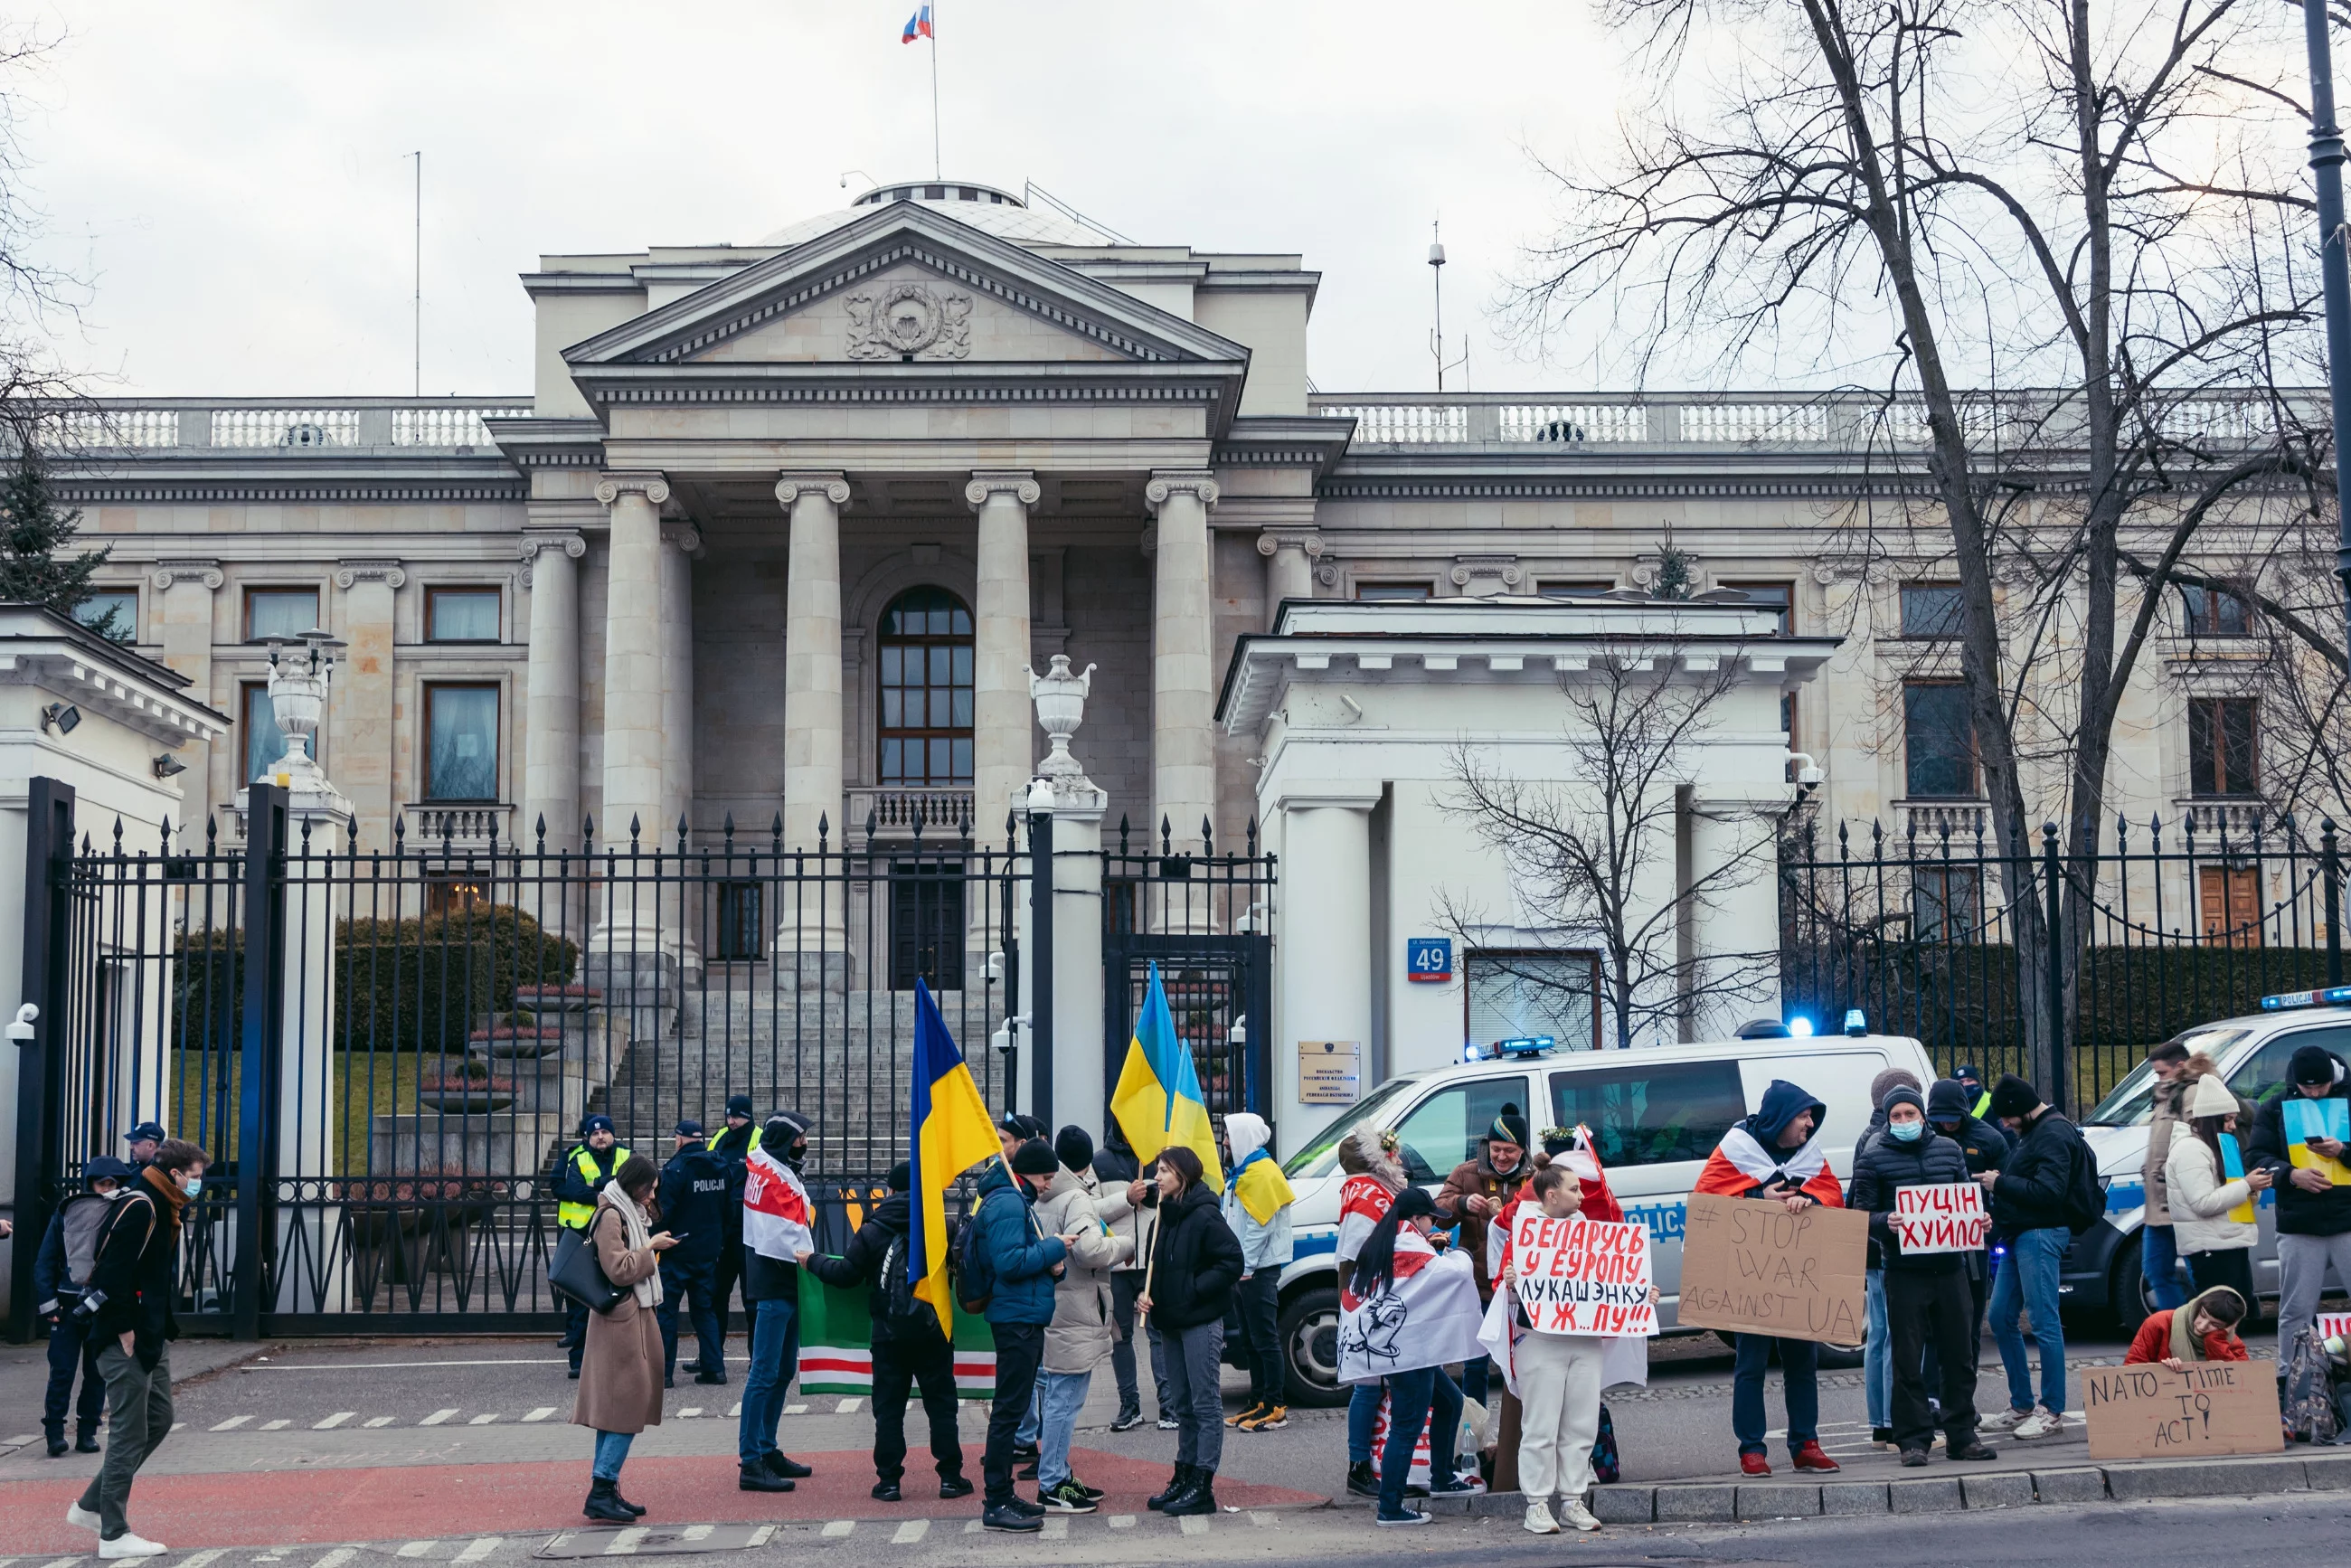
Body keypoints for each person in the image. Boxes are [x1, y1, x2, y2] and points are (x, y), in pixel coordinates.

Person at [1694, 1080, 1846, 1477]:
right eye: (1803, 1116)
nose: (1810, 1125)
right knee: (1751, 1364)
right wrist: (1758, 1200)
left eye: (1811, 1116)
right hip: (1750, 1276)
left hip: (1797, 1276)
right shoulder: (1734, 1150)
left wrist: (1808, 1200)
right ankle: (1752, 1449)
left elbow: (1833, 1197)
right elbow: (1706, 1204)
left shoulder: (1809, 1156)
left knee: (1802, 1362)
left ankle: (1806, 1444)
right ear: (1781, 1117)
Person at [67, 1137, 208, 1560]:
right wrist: (124, 1330)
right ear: (175, 1174)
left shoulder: (165, 1204)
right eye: (196, 1177)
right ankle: (113, 1533)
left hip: (151, 1333)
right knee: (129, 1431)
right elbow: (112, 1274)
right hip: (124, 1335)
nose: (198, 1185)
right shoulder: (144, 1204)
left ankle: (92, 1505)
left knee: (159, 1418)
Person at [798, 1161, 971, 1502]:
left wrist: (812, 1261)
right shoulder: (940, 1226)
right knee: (941, 1406)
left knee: (889, 1409)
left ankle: (889, 1481)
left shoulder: (873, 1229)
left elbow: (846, 1273)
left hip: (888, 1334)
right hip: (934, 1331)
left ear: (889, 1192)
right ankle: (951, 1477)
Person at [1847, 1086, 1997, 1467]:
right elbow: (1861, 1214)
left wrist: (1981, 1218)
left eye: (1909, 1115)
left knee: (1959, 1354)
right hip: (1903, 1271)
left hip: (1950, 1269)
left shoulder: (1949, 1151)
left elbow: (1966, 1196)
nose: (1903, 1122)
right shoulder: (1873, 1157)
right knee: (1907, 1358)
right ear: (1887, 1118)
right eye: (1896, 1116)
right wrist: (1886, 1222)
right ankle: (1913, 1439)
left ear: (1922, 1116)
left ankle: (1962, 1435)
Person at [1345, 1186, 1480, 1526]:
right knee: (1406, 1428)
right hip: (1409, 1353)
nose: (1434, 1225)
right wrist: (1460, 1252)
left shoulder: (1389, 1238)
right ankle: (1390, 1508)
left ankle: (1442, 1478)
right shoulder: (1406, 1241)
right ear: (1415, 1218)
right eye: (1431, 1219)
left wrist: (1432, 1249)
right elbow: (1454, 1274)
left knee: (1450, 1402)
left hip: (1410, 1349)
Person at [1500, 1164, 1619, 1534]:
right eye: (1574, 1189)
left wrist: (1638, 1295)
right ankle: (1536, 1504)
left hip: (1584, 1340)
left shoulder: (1590, 1234)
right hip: (1540, 1341)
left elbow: (1613, 1277)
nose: (1582, 1196)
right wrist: (1510, 1279)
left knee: (1580, 1424)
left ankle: (1572, 1499)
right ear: (1551, 1195)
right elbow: (1503, 1282)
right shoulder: (1524, 1231)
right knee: (1540, 1425)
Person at [1981, 1072, 2100, 1440]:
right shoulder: (2040, 1130)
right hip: (2024, 1233)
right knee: (2001, 1316)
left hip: (2041, 1233)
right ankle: (2021, 1404)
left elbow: (2048, 1191)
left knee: (2044, 1321)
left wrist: (1998, 1182)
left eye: (2006, 1117)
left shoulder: (2051, 1133)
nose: (2004, 1124)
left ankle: (2051, 1409)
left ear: (2019, 1109)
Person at [1137, 1145, 1245, 1519]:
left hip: (1199, 1321)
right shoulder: (1161, 1218)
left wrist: (1193, 1290)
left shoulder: (1204, 1215)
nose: (1158, 1176)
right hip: (1170, 1323)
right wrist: (1146, 1296)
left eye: (1164, 1170)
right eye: (1157, 1169)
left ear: (1182, 1174)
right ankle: (1183, 1474)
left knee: (1204, 1402)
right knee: (1181, 1404)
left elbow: (1232, 1260)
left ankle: (1203, 1483)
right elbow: (1154, 1269)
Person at [1033, 1125, 1135, 1512]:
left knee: (1061, 1396)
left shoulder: (1051, 1193)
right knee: (1065, 1400)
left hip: (1058, 1307)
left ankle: (1057, 1471)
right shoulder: (1074, 1196)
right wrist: (1124, 1245)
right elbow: (1090, 1250)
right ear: (1088, 1161)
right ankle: (1052, 1481)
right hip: (1075, 1310)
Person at [974, 1136, 1073, 1532]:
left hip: (1024, 1316)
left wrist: (1054, 1264)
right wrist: (1053, 1249)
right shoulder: (1008, 1202)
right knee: (1008, 1413)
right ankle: (996, 1500)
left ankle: (1004, 1494)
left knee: (1012, 1410)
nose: (1049, 1184)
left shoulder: (1016, 1200)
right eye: (1046, 1176)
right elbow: (1010, 1262)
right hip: (1016, 1319)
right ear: (1027, 1172)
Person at [571, 1154, 677, 1522]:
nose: (651, 1196)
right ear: (633, 1183)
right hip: (621, 1321)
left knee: (615, 1412)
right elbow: (619, 1269)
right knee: (627, 1408)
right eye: (648, 1189)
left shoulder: (624, 1209)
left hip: (628, 1317)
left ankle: (605, 1488)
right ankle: (602, 1489)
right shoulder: (612, 1215)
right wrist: (651, 1249)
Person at [2248, 1044, 2351, 1365]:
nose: (2317, 1093)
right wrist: (2292, 1175)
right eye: (2309, 1087)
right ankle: (2289, 1377)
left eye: (2322, 1085)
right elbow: (2256, 1156)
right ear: (2295, 1081)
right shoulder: (2275, 1106)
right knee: (2295, 1309)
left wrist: (2344, 1152)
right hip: (2299, 1224)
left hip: (2348, 1220)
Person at [736, 1111, 814, 1494]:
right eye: (800, 1139)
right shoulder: (771, 1177)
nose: (804, 1146)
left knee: (782, 1371)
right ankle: (751, 1460)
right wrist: (814, 1263)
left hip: (785, 1283)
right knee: (764, 1374)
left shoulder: (772, 1168)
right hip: (774, 1284)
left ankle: (767, 1448)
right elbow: (786, 1231)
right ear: (786, 1141)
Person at [35, 1157, 133, 1458]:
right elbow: (46, 1260)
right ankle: (54, 1432)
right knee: (62, 1371)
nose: (108, 1188)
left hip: (101, 1303)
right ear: (89, 1183)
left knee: (97, 1373)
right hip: (66, 1303)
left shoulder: (120, 1211)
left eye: (113, 1183)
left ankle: (88, 1431)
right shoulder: (66, 1212)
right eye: (103, 1183)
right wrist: (49, 1303)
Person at [1434, 1108, 1530, 1407]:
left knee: (1524, 1361)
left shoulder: (1536, 1179)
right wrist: (1461, 1203)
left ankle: (1522, 1439)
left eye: (1510, 1151)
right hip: (1479, 1286)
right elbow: (1438, 1212)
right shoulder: (1466, 1173)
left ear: (1523, 1150)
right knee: (1476, 1364)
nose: (1501, 1156)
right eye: (1496, 1149)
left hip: (1521, 1286)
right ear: (1487, 1145)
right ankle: (1473, 1436)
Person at [1853, 1068, 1921, 1448]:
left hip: (1873, 1250)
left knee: (1880, 1335)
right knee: (1895, 1336)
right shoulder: (1882, 1139)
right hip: (1886, 1249)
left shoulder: (1869, 1133)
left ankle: (1880, 1422)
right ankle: (1894, 1423)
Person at [1336, 1129, 1406, 1498]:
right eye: (1389, 1152)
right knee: (1367, 1385)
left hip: (1372, 1295)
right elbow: (1358, 1253)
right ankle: (1359, 1466)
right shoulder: (1368, 1195)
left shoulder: (1367, 1189)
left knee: (1374, 1384)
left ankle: (1370, 1461)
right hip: (1370, 1297)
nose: (1396, 1158)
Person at [2164, 1071, 2269, 1304]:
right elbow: (2203, 1203)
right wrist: (2246, 1185)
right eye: (2228, 1119)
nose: (2233, 1126)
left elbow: (2235, 1197)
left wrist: (2252, 1188)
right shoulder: (2191, 1149)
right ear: (2212, 1119)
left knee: (2234, 1316)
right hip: (2211, 1248)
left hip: (2228, 1242)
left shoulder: (2217, 1146)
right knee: (2219, 1320)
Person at [1925, 1077, 2008, 1365]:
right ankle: (1935, 1393)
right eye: (1940, 1120)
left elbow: (2007, 1191)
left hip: (1975, 1242)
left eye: (1952, 1120)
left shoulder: (1990, 1139)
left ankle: (1966, 1378)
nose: (1947, 1125)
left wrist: (1991, 1233)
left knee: (1970, 1316)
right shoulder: (1924, 1135)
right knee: (1934, 1322)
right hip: (1933, 1242)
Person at [1222, 1112, 1296, 1433]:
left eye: (1228, 1135)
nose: (1224, 1141)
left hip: (1257, 1271)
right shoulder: (1244, 1172)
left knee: (1265, 1339)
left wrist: (1245, 1267)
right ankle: (1258, 1401)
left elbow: (1258, 1228)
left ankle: (1275, 1406)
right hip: (1245, 1270)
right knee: (1251, 1340)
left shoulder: (1262, 1173)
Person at [1092, 1119, 1162, 1432]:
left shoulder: (1158, 1160)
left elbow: (1172, 1204)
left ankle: (1170, 1405)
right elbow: (1091, 1211)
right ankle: (1129, 1405)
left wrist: (1152, 1193)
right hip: (1118, 1264)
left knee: (1159, 1335)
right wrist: (1126, 1198)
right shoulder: (1100, 1161)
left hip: (1151, 1262)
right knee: (1121, 1337)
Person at [555, 1114, 632, 1377]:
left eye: (605, 1133)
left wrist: (597, 1185)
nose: (600, 1137)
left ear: (613, 1134)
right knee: (580, 1300)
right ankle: (579, 1362)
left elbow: (634, 1185)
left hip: (617, 1235)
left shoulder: (627, 1155)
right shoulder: (578, 1158)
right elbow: (574, 1190)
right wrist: (611, 1191)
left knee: (620, 1298)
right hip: (583, 1236)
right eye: (595, 1134)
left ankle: (617, 1359)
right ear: (588, 1137)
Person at [655, 1119, 730, 1387]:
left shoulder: (676, 1169)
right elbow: (727, 1207)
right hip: (708, 1250)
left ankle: (663, 1373)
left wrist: (655, 1233)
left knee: (666, 1312)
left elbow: (665, 1212)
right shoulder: (720, 1165)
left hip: (677, 1250)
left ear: (679, 1139)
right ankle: (714, 1368)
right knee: (705, 1310)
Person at [2138, 1041, 2196, 1314]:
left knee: (2198, 1276)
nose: (2158, 1079)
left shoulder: (2190, 1095)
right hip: (2159, 1202)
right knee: (2155, 1270)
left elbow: (2197, 1142)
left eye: (2162, 1073)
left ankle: (2200, 1334)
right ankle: (2177, 1332)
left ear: (2180, 1066)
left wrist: (2166, 1170)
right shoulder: (2164, 1097)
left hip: (2182, 1199)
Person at [701, 1093, 760, 1360]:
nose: (731, 1121)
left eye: (735, 1116)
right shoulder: (720, 1137)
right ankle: (712, 1357)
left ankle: (755, 1357)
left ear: (746, 1116)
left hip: (749, 1230)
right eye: (728, 1116)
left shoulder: (758, 1137)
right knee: (716, 1295)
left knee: (752, 1300)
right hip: (722, 1228)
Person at [2124, 1284, 2251, 1367]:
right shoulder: (2159, 1324)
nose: (2202, 1326)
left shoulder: (2231, 1343)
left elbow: (2242, 1382)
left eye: (2215, 1324)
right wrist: (2162, 1369)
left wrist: (2215, 1342)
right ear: (2197, 1306)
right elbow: (2131, 1371)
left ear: (2228, 1327)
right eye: (2202, 1315)